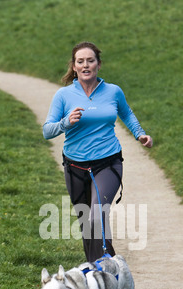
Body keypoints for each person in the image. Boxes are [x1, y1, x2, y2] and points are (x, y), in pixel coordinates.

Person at [43, 41, 153, 263]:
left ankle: (102, 273)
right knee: (87, 223)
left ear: (98, 65)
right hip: (75, 167)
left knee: (96, 215)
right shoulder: (63, 96)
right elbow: (47, 131)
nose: (85, 65)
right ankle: (107, 269)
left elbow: (127, 114)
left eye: (90, 61)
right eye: (80, 61)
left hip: (108, 163)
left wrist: (140, 134)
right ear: (74, 67)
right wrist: (66, 123)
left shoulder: (113, 91)